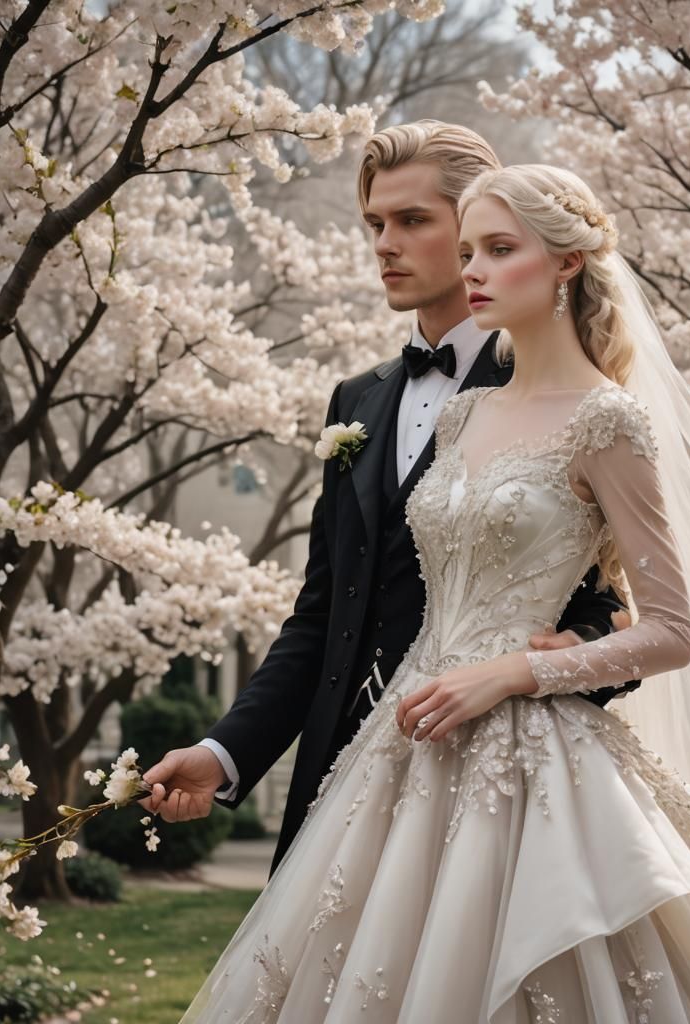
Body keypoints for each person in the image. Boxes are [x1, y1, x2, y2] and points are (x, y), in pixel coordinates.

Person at [175, 164, 690, 1022]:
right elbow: (344, 601)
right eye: (468, 251)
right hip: (399, 745)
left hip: (536, 756)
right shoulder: (462, 417)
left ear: (568, 263)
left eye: (500, 250)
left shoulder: (608, 420)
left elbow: (671, 631)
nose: (474, 270)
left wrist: (515, 673)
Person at [139, 121, 633, 874]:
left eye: (412, 221)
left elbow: (608, 596)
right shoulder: (356, 399)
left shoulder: (557, 392)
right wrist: (225, 752)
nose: (384, 244)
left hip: (491, 780)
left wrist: (568, 653)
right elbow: (324, 611)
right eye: (375, 223)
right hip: (338, 779)